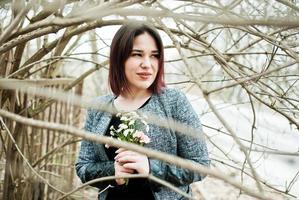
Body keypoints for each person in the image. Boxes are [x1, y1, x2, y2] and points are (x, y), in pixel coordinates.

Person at [75, 21, 210, 200]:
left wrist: (151, 167)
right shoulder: (99, 108)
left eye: (154, 56)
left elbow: (200, 166)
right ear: (119, 58)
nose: (147, 64)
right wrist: (112, 171)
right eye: (137, 54)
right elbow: (83, 167)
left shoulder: (173, 102)